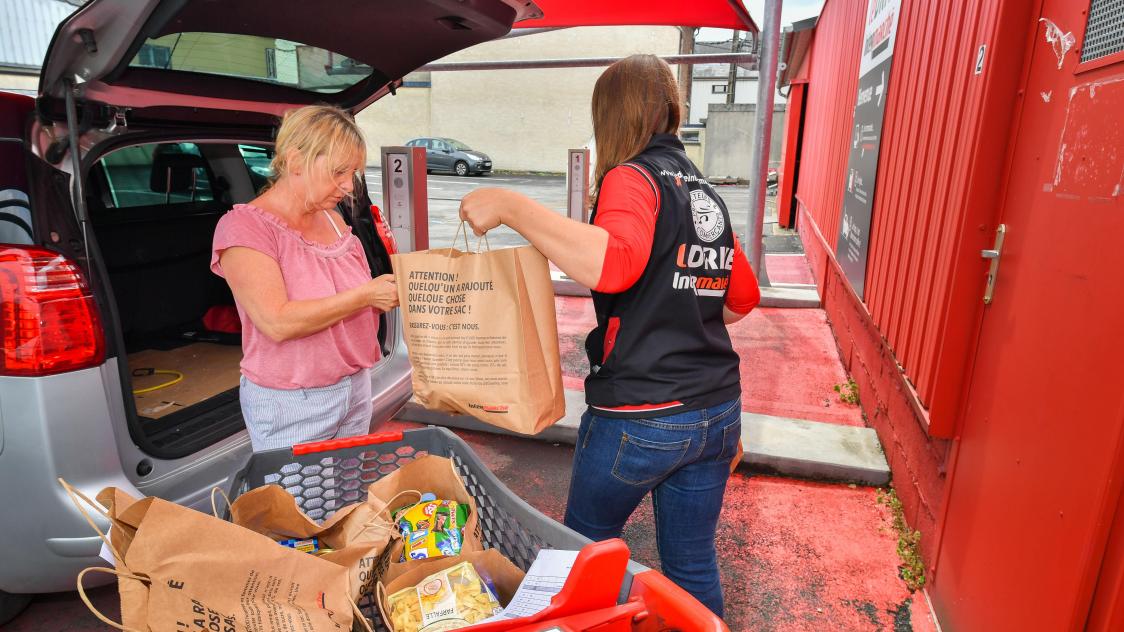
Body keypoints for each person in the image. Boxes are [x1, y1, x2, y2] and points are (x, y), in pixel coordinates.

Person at [459, 54, 760, 616]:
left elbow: (613, 265)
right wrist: (681, 303)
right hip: (717, 411)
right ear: (670, 109)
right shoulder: (704, 192)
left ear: (610, 115)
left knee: (584, 550)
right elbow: (740, 299)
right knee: (692, 561)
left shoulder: (632, 177)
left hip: (641, 414)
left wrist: (510, 204)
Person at [210, 104, 398, 452]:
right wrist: (366, 297)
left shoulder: (331, 217)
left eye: (353, 173)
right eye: (339, 172)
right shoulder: (244, 229)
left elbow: (354, 291)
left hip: (355, 385)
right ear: (295, 161)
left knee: (346, 498)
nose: (347, 186)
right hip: (293, 403)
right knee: (298, 507)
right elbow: (276, 322)